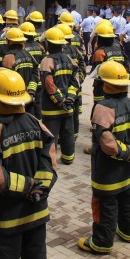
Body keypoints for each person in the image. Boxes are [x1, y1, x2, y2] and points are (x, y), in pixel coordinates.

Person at [0, 69, 57, 259]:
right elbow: (50, 162)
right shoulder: (35, 123)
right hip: (37, 211)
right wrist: (38, 188)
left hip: (6, 218)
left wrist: (27, 186)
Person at [78, 61, 130, 255]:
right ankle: (128, 232)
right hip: (128, 171)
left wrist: (125, 152)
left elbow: (107, 142)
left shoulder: (103, 108)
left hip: (107, 173)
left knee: (105, 206)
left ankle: (101, 242)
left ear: (105, 85)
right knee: (128, 200)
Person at [40, 28, 80, 165]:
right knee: (67, 133)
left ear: (48, 43)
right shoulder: (69, 59)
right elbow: (76, 81)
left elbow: (48, 84)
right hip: (68, 107)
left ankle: (50, 161)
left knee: (51, 135)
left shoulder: (47, 61)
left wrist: (60, 100)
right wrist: (70, 99)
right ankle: (68, 157)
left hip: (51, 107)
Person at [2, 28, 40, 116]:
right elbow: (36, 74)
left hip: (16, 100)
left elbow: (6, 81)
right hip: (28, 97)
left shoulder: (9, 57)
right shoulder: (28, 55)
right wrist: (31, 92)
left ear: (8, 41)